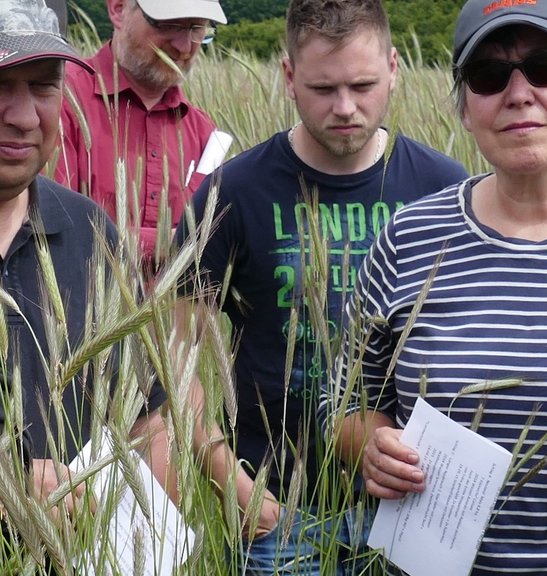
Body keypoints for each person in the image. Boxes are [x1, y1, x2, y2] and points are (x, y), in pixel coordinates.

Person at [173, 0, 468, 573]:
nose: (345, 108)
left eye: (363, 84)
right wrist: (240, 492)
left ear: (394, 67)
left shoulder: (445, 187)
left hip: (412, 511)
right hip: (279, 511)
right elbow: (177, 361)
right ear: (288, 77)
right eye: (322, 88)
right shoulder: (232, 192)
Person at [322, 0, 547, 573]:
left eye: (546, 66)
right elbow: (343, 401)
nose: (518, 93)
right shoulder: (410, 238)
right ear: (464, 107)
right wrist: (367, 445)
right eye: (488, 75)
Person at [0, 0, 173, 536]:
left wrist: (157, 542)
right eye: (1, 84)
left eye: (44, 86)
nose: (25, 116)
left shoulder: (91, 234)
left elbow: (148, 422)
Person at [53, 0, 227, 271]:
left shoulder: (206, 132)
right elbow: (53, 229)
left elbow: (214, 248)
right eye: (168, 25)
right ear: (118, 9)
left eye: (196, 28)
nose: (183, 47)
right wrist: (170, 244)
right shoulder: (57, 101)